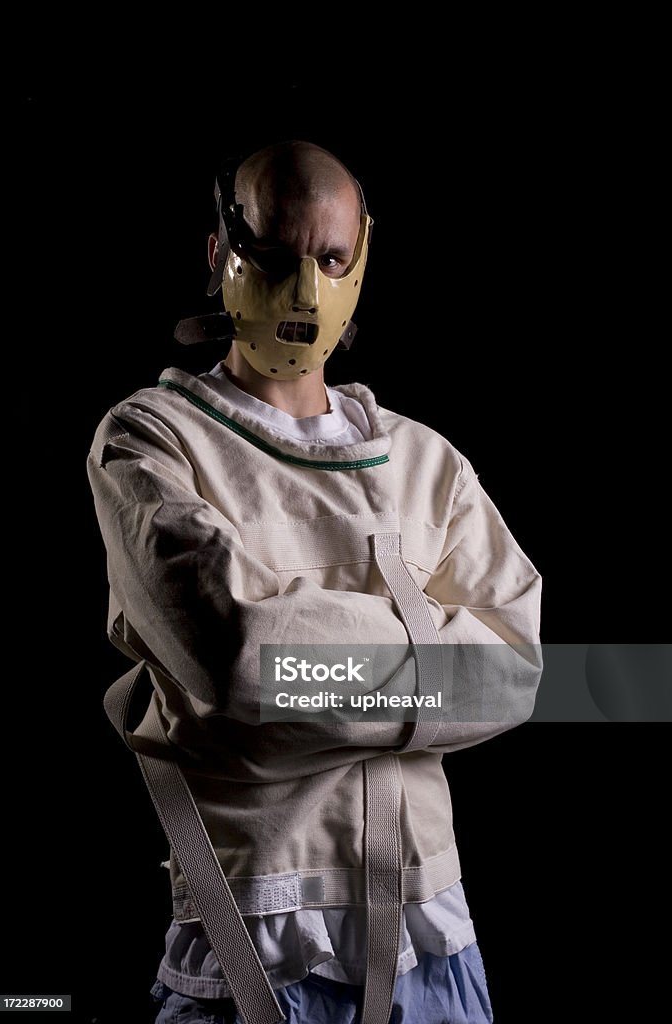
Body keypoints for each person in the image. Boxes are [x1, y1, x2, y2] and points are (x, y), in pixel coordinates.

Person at [88, 140, 542, 1024]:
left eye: (330, 259)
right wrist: (429, 677)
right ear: (220, 252)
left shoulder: (424, 462)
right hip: (249, 946)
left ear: (360, 260)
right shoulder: (150, 441)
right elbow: (241, 657)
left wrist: (271, 715)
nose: (305, 288)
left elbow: (517, 671)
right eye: (275, 253)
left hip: (436, 941)